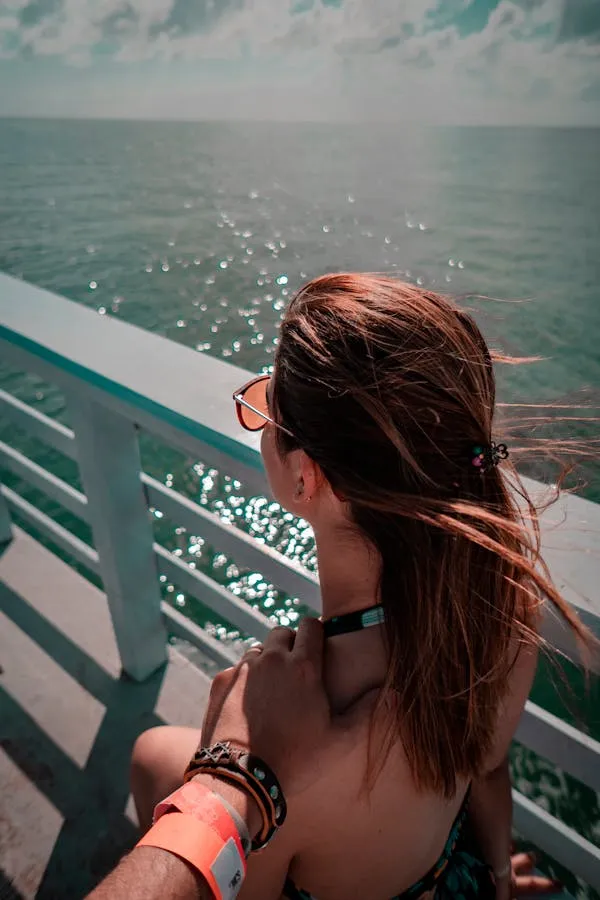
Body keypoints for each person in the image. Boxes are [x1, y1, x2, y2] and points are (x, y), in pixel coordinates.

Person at [130, 274, 588, 900]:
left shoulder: (295, 741)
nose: (258, 417)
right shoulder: (505, 607)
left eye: (266, 409)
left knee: (152, 752)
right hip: (444, 872)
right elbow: (487, 769)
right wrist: (499, 878)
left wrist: (237, 762)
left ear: (304, 478)